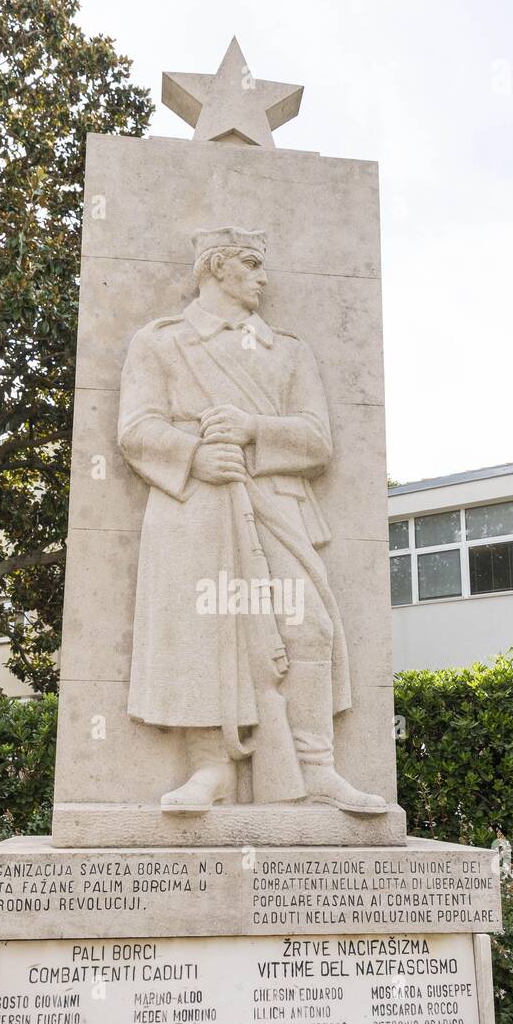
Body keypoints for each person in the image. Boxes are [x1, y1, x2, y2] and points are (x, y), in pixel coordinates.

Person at [117, 225, 385, 815]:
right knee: (204, 633)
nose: (265, 277)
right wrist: (192, 455)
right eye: (253, 262)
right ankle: (209, 768)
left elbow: (317, 441)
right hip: (194, 508)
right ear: (217, 266)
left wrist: (254, 430)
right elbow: (135, 428)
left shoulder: (287, 351)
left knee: (307, 626)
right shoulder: (163, 342)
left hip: (278, 504)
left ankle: (314, 768)